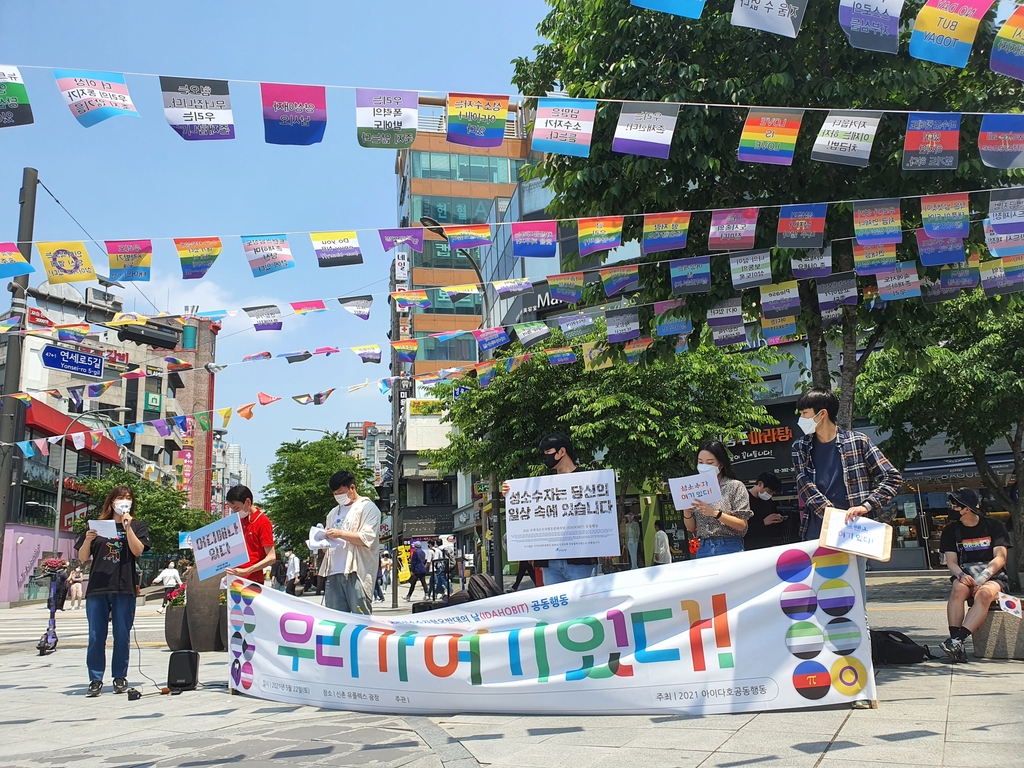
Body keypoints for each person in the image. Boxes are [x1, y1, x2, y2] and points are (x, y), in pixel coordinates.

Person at [793, 387, 902, 709]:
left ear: (820, 414)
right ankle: (827, 675)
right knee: (815, 608)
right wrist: (831, 513)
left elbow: (891, 478)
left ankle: (860, 684)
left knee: (854, 607)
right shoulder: (802, 447)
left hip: (852, 537)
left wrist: (866, 506)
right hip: (816, 536)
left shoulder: (858, 442)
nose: (800, 419)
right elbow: (804, 483)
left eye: (803, 413)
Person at [75, 486, 150, 698]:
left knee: (122, 635)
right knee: (96, 636)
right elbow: (82, 557)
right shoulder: (97, 526)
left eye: (128, 498)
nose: (124, 501)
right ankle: (95, 679)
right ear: (111, 502)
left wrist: (128, 528)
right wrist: (89, 539)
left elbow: (137, 551)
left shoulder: (137, 525)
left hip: (124, 586)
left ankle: (119, 677)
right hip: (98, 587)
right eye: (120, 498)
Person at [503, 433, 601, 585]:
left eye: (548, 453)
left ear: (562, 452)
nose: (545, 457)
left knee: (583, 606)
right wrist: (511, 494)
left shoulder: (587, 480)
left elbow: (599, 515)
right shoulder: (543, 485)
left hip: (581, 560)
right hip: (550, 563)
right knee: (557, 607)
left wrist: (607, 544)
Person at [940, 488, 1011, 663]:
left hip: (993, 575)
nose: (952, 509)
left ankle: (957, 640)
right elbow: (951, 562)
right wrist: (961, 575)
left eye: (955, 506)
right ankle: (956, 645)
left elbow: (1000, 558)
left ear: (967, 508)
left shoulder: (994, 526)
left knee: (984, 594)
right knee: (958, 588)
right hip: (965, 573)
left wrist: (983, 577)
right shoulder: (951, 531)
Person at [323, 470, 381, 615]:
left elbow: (366, 538)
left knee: (360, 618)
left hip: (356, 571)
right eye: (335, 494)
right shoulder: (332, 513)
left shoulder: (368, 508)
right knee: (335, 621)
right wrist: (321, 542)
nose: (338, 496)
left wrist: (339, 533)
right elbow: (326, 547)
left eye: (341, 492)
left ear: (352, 488)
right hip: (334, 570)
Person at [682, 441, 753, 558]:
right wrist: (687, 511)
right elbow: (690, 528)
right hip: (704, 547)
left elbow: (742, 525)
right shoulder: (695, 488)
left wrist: (715, 513)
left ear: (721, 464)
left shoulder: (734, 486)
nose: (704, 466)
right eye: (700, 462)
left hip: (729, 545)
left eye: (710, 463)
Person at [224, 485, 276, 584]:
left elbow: (271, 557)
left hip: (252, 581)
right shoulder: (240, 521)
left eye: (236, 508)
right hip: (235, 579)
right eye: (232, 509)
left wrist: (246, 571)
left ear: (247, 502)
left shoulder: (262, 522)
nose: (235, 512)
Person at [744, 473, 786, 550]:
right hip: (749, 546)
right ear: (760, 484)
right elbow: (742, 528)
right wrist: (763, 522)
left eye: (773, 493)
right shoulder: (744, 500)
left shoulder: (768, 501)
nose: (770, 495)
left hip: (767, 545)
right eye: (769, 491)